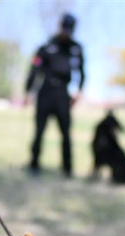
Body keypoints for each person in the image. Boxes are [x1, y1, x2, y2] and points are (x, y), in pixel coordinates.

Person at [25, 13, 85, 178]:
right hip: (46, 91)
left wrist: (79, 91)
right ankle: (34, 164)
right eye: (65, 28)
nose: (66, 32)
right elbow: (34, 70)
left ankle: (67, 168)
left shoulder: (76, 48)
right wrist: (28, 91)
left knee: (66, 133)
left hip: (63, 94)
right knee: (39, 131)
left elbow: (82, 72)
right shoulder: (47, 46)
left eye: (69, 29)